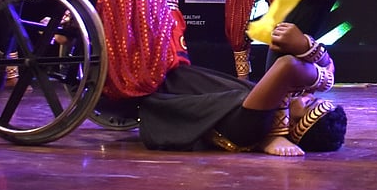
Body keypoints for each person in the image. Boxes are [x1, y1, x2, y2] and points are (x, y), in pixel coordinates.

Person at [138, 21, 347, 157]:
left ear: (296, 127)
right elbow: (325, 67)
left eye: (309, 103)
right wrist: (318, 58)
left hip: (144, 77)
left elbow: (289, 66)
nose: (307, 95)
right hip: (160, 67)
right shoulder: (267, 113)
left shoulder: (253, 127)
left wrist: (307, 51)